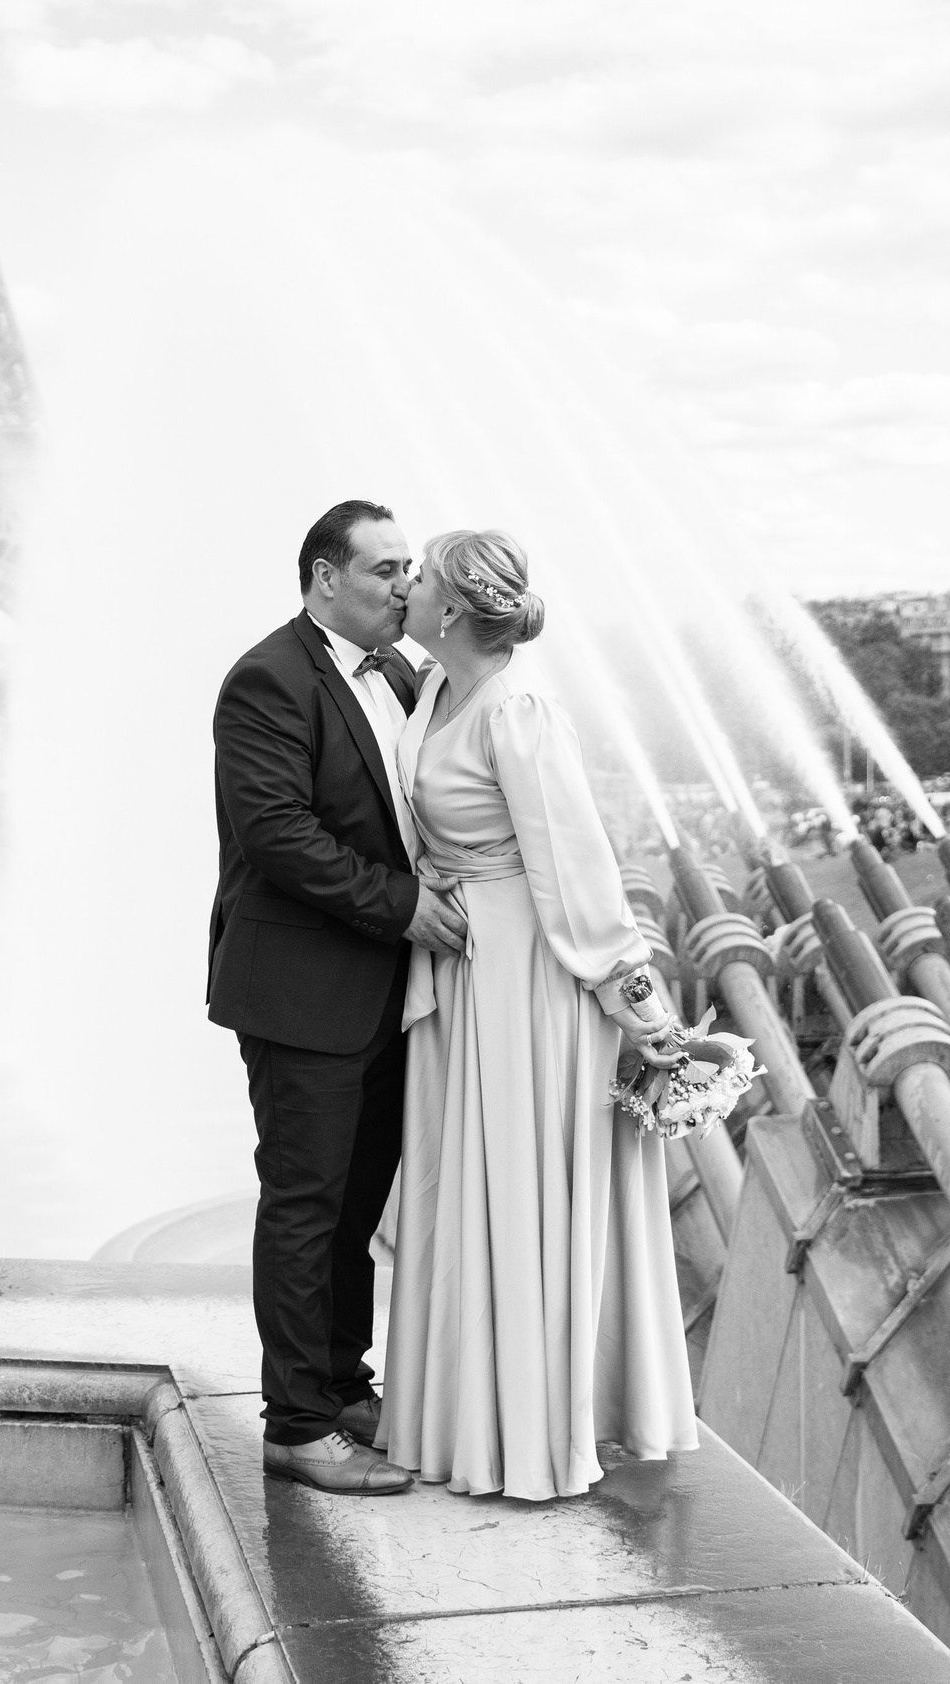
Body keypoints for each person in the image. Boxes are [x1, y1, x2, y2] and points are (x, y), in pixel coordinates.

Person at [378, 528, 696, 1501]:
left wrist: (636, 1002)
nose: (406, 584)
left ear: (454, 608)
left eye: (419, 575)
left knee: (511, 1188)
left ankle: (530, 1436)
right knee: (474, 1193)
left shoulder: (515, 708)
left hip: (526, 977)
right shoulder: (435, 689)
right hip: (469, 966)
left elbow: (572, 865)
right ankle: (479, 1423)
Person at [209, 499, 470, 1497]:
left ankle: (342, 1383)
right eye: (385, 570)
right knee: (305, 1206)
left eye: (409, 568)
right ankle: (297, 1425)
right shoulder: (267, 680)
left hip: (382, 993)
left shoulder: (403, 673)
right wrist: (402, 909)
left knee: (356, 1208)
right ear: (326, 577)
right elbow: (277, 836)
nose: (406, 585)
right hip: (302, 992)